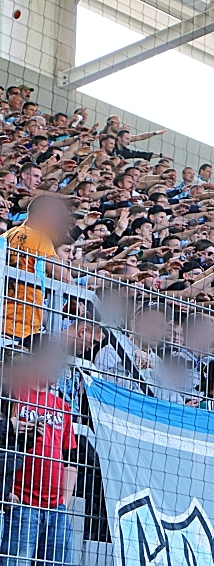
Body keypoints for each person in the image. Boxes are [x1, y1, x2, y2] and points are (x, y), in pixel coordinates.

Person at [1, 342, 78, 566]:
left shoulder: (63, 407)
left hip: (56, 508)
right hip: (22, 503)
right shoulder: (15, 393)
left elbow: (70, 459)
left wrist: (65, 500)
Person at [2, 196, 71, 346]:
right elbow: (63, 277)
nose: (60, 227)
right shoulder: (40, 239)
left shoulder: (5, 236)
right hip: (21, 327)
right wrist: (80, 301)